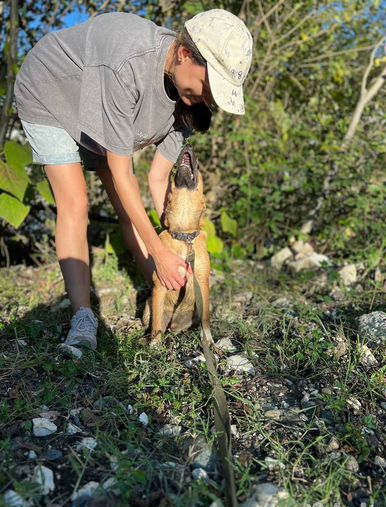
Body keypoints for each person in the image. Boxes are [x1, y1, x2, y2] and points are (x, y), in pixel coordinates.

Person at [14, 9, 253, 352]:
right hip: (50, 92)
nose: (207, 98)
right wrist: (158, 250)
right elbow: (124, 174)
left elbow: (158, 181)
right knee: (76, 202)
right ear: (186, 54)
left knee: (130, 211)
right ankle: (83, 317)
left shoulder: (186, 104)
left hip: (98, 108)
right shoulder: (129, 64)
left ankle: (155, 284)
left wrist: (174, 251)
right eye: (208, 86)